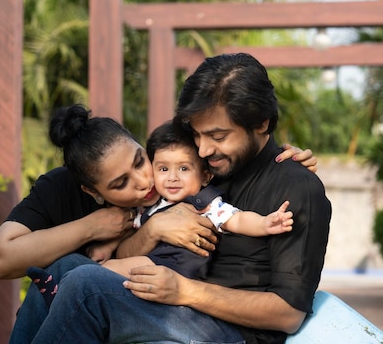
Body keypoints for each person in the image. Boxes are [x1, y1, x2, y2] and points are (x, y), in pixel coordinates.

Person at [0, 54, 328, 344]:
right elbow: (133, 244)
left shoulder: (296, 186)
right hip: (181, 309)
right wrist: (151, 235)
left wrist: (185, 292)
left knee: (85, 285)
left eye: (217, 136)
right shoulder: (211, 167)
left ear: (262, 122)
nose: (202, 149)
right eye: (196, 135)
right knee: (63, 268)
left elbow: (289, 313)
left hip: (237, 337)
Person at [101, 120, 293, 280]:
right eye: (163, 169)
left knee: (102, 272)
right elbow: (129, 230)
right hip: (155, 265)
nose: (172, 177)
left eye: (184, 169)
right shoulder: (150, 205)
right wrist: (107, 245)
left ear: (205, 176)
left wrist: (265, 223)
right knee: (102, 269)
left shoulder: (205, 204)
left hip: (175, 269)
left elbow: (238, 219)